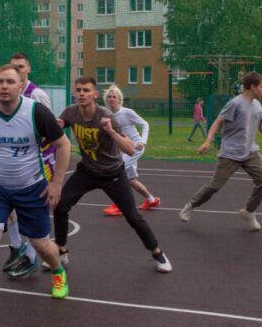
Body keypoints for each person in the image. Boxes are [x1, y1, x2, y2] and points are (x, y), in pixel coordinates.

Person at [0, 64, 71, 326]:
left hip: (31, 187)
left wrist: (56, 184)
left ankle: (58, 271)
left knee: (40, 244)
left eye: (10, 82)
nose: (4, 86)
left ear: (21, 86)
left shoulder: (35, 111)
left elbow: (64, 144)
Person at [51, 76, 172, 273]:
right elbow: (57, 127)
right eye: (78, 90)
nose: (82, 93)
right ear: (74, 93)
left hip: (112, 173)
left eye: (86, 90)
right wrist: (51, 125)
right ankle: (61, 251)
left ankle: (158, 253)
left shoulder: (105, 116)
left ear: (95, 95)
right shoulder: (71, 112)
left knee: (133, 217)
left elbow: (131, 150)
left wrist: (111, 132)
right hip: (87, 171)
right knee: (60, 205)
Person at [179, 72, 262, 231]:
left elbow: (261, 125)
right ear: (252, 87)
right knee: (215, 186)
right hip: (230, 153)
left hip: (250, 151)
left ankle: (249, 211)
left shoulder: (257, 104)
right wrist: (207, 141)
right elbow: (218, 121)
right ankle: (190, 205)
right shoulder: (235, 103)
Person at [0, 52, 55, 276]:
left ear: (28, 69)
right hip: (11, 162)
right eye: (13, 66)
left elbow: (51, 130)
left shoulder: (37, 94)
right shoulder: (6, 94)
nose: (18, 69)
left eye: (21, 66)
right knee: (3, 206)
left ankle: (31, 257)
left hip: (39, 162)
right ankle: (16, 246)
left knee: (30, 210)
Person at [101, 86, 159, 214]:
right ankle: (152, 200)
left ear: (120, 99)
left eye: (114, 97)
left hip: (134, 148)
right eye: (109, 97)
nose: (111, 99)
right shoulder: (107, 114)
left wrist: (142, 141)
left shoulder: (127, 112)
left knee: (117, 172)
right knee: (131, 180)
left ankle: (118, 205)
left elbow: (145, 124)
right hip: (123, 150)